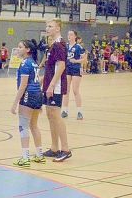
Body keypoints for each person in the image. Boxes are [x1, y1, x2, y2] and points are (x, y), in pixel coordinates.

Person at [10, 40, 45, 167]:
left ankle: (25, 158)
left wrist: (15, 103)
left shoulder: (25, 64)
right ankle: (40, 155)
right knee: (34, 126)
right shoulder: (34, 63)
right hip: (37, 95)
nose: (18, 49)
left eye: (20, 47)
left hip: (28, 96)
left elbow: (23, 85)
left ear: (28, 50)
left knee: (23, 126)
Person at [41, 19, 71, 162]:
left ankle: (65, 149)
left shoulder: (59, 45)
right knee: (50, 114)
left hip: (56, 86)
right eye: (47, 26)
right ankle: (54, 148)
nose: (47, 28)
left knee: (56, 115)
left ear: (58, 28)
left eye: (50, 26)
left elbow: (61, 66)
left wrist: (52, 85)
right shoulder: (52, 45)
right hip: (48, 84)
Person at [63, 31, 86, 120]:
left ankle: (79, 112)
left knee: (75, 90)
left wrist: (76, 61)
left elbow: (84, 59)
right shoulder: (66, 46)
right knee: (66, 91)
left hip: (76, 69)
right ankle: (65, 111)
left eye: (71, 34)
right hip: (67, 69)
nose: (69, 36)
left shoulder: (79, 47)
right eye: (68, 34)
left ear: (75, 36)